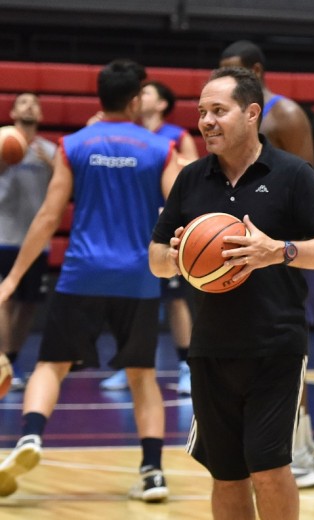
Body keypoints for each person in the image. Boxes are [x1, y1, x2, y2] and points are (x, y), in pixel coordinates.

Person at [148, 67, 314, 520]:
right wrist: (176, 256)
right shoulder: (191, 178)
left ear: (252, 113)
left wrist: (278, 250)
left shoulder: (292, 174)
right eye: (201, 112)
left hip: (275, 346)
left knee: (268, 465)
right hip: (211, 347)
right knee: (226, 472)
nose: (206, 121)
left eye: (219, 111)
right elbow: (156, 257)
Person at [0, 59, 180, 502]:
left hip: (82, 273)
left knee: (51, 365)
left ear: (98, 97)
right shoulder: (159, 149)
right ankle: (153, 471)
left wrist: (12, 278)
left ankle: (31, 436)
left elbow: (47, 217)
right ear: (136, 98)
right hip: (138, 277)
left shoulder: (75, 144)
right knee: (141, 375)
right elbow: (183, 209)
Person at [219, 40, 314, 488]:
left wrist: (286, 249)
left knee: (288, 351)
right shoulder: (229, 120)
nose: (228, 80)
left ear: (258, 71)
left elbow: (303, 188)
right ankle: (293, 449)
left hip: (287, 251)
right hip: (248, 250)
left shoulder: (285, 115)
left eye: (237, 72)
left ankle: (302, 455)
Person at [100, 79, 198, 395]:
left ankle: (187, 367)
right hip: (129, 231)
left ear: (161, 104)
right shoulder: (124, 135)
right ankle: (130, 366)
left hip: (166, 230)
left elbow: (195, 178)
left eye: (147, 93)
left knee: (175, 300)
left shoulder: (176, 137)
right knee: (130, 302)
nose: (139, 96)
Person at [0, 92, 56, 391]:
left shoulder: (49, 150)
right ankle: (6, 363)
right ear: (12, 112)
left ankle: (13, 357)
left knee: (30, 305)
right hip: (4, 236)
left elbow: (64, 189)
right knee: (5, 301)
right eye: (23, 102)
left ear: (42, 115)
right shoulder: (1, 144)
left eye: (35, 102)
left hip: (37, 241)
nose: (30, 106)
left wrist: (51, 165)